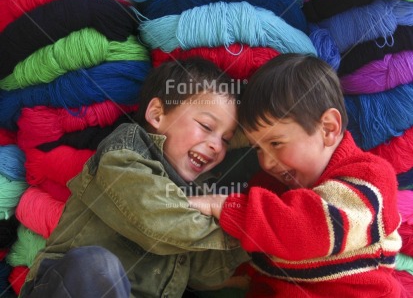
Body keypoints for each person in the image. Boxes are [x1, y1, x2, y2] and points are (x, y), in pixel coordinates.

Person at [20, 58, 250, 298]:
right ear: (157, 115)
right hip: (70, 287)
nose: (216, 146)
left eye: (226, 139)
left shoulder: (197, 193)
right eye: (206, 126)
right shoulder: (124, 154)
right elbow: (155, 216)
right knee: (96, 267)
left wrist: (253, 238)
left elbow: (205, 273)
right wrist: (237, 219)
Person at [188, 53, 402, 297]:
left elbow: (310, 227)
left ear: (328, 128)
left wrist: (224, 205)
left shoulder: (368, 178)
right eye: (257, 147)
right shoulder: (270, 186)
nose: (267, 161)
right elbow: (259, 252)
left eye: (276, 143)